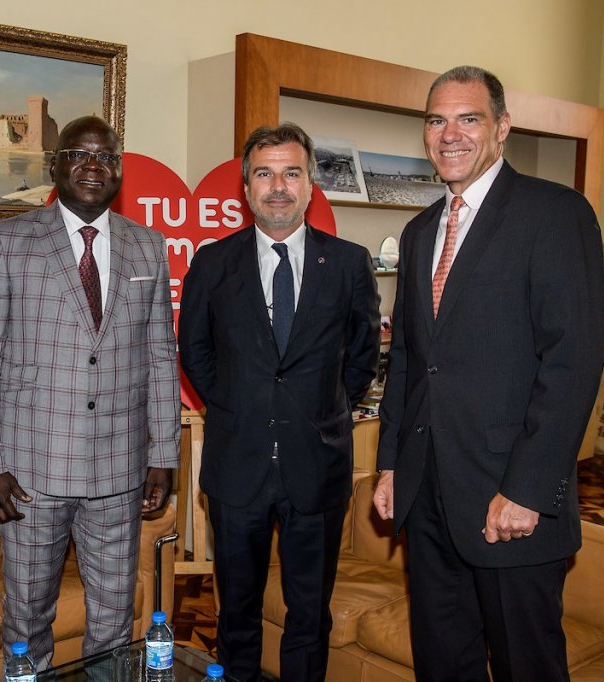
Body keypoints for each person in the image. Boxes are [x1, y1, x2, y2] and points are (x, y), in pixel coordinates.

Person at [373, 66, 604, 682]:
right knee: (443, 666)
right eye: (436, 120)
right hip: (427, 501)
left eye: (468, 119)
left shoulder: (555, 214)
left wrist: (529, 490)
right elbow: (408, 362)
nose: (450, 134)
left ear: (501, 128)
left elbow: (573, 362)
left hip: (511, 504)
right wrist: (393, 464)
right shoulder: (421, 230)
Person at [0, 115, 181, 669]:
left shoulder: (146, 246)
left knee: (113, 619)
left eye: (107, 157)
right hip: (28, 474)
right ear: (55, 165)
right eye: (80, 155)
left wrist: (163, 453)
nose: (93, 166)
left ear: (119, 169)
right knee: (28, 616)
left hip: (120, 470)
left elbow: (160, 355)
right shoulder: (8, 241)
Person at [179, 122, 381, 682]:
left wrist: (321, 410)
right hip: (236, 467)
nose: (278, 187)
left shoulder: (347, 263)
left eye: (291, 173)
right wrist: (236, 406)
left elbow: (363, 357)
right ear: (245, 189)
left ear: (310, 184)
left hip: (316, 467)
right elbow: (194, 352)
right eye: (264, 174)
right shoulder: (212, 263)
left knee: (308, 614)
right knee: (236, 610)